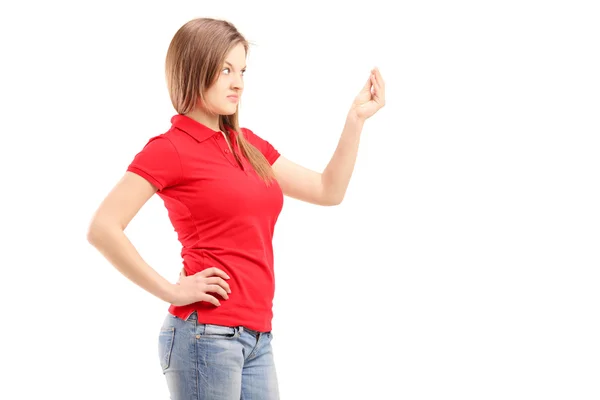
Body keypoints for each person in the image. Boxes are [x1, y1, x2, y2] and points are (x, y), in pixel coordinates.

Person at [86, 16, 385, 400]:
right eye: (225, 69)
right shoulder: (169, 148)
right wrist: (172, 291)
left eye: (242, 70)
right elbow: (103, 227)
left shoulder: (248, 145)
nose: (238, 82)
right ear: (194, 67)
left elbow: (328, 190)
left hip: (258, 337)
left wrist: (355, 120)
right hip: (205, 336)